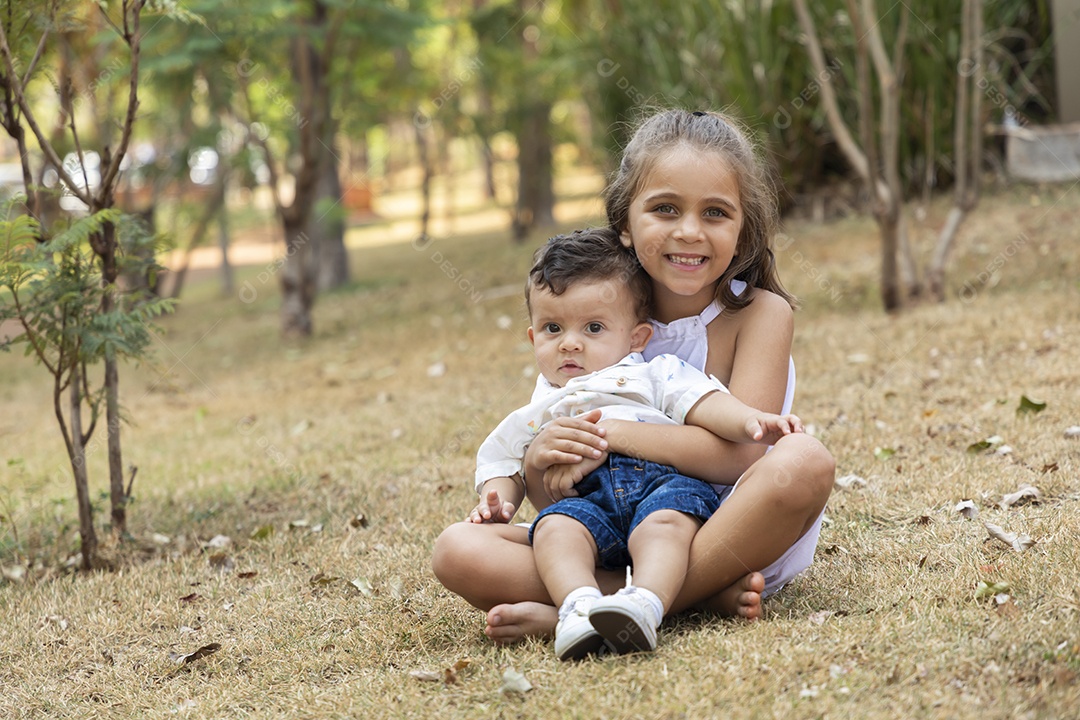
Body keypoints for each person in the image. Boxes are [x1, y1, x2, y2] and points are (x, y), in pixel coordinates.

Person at [432, 108, 835, 644]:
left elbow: (740, 457)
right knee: (456, 550)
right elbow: (554, 494)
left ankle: (585, 612)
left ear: (743, 231)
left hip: (725, 530)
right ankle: (669, 601)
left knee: (804, 461)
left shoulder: (759, 314)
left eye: (715, 212)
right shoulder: (588, 317)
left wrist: (614, 434)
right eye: (665, 208)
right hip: (606, 531)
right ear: (624, 221)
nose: (689, 231)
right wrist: (536, 461)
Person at [468, 229, 803, 660]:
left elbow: (705, 402)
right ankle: (578, 607)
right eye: (553, 328)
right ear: (534, 339)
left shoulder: (653, 372)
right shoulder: (544, 406)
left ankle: (645, 603)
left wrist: (751, 421)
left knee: (667, 527)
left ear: (636, 338)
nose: (570, 342)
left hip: (661, 489)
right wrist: (497, 500)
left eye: (593, 327)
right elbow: (500, 457)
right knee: (554, 529)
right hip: (588, 506)